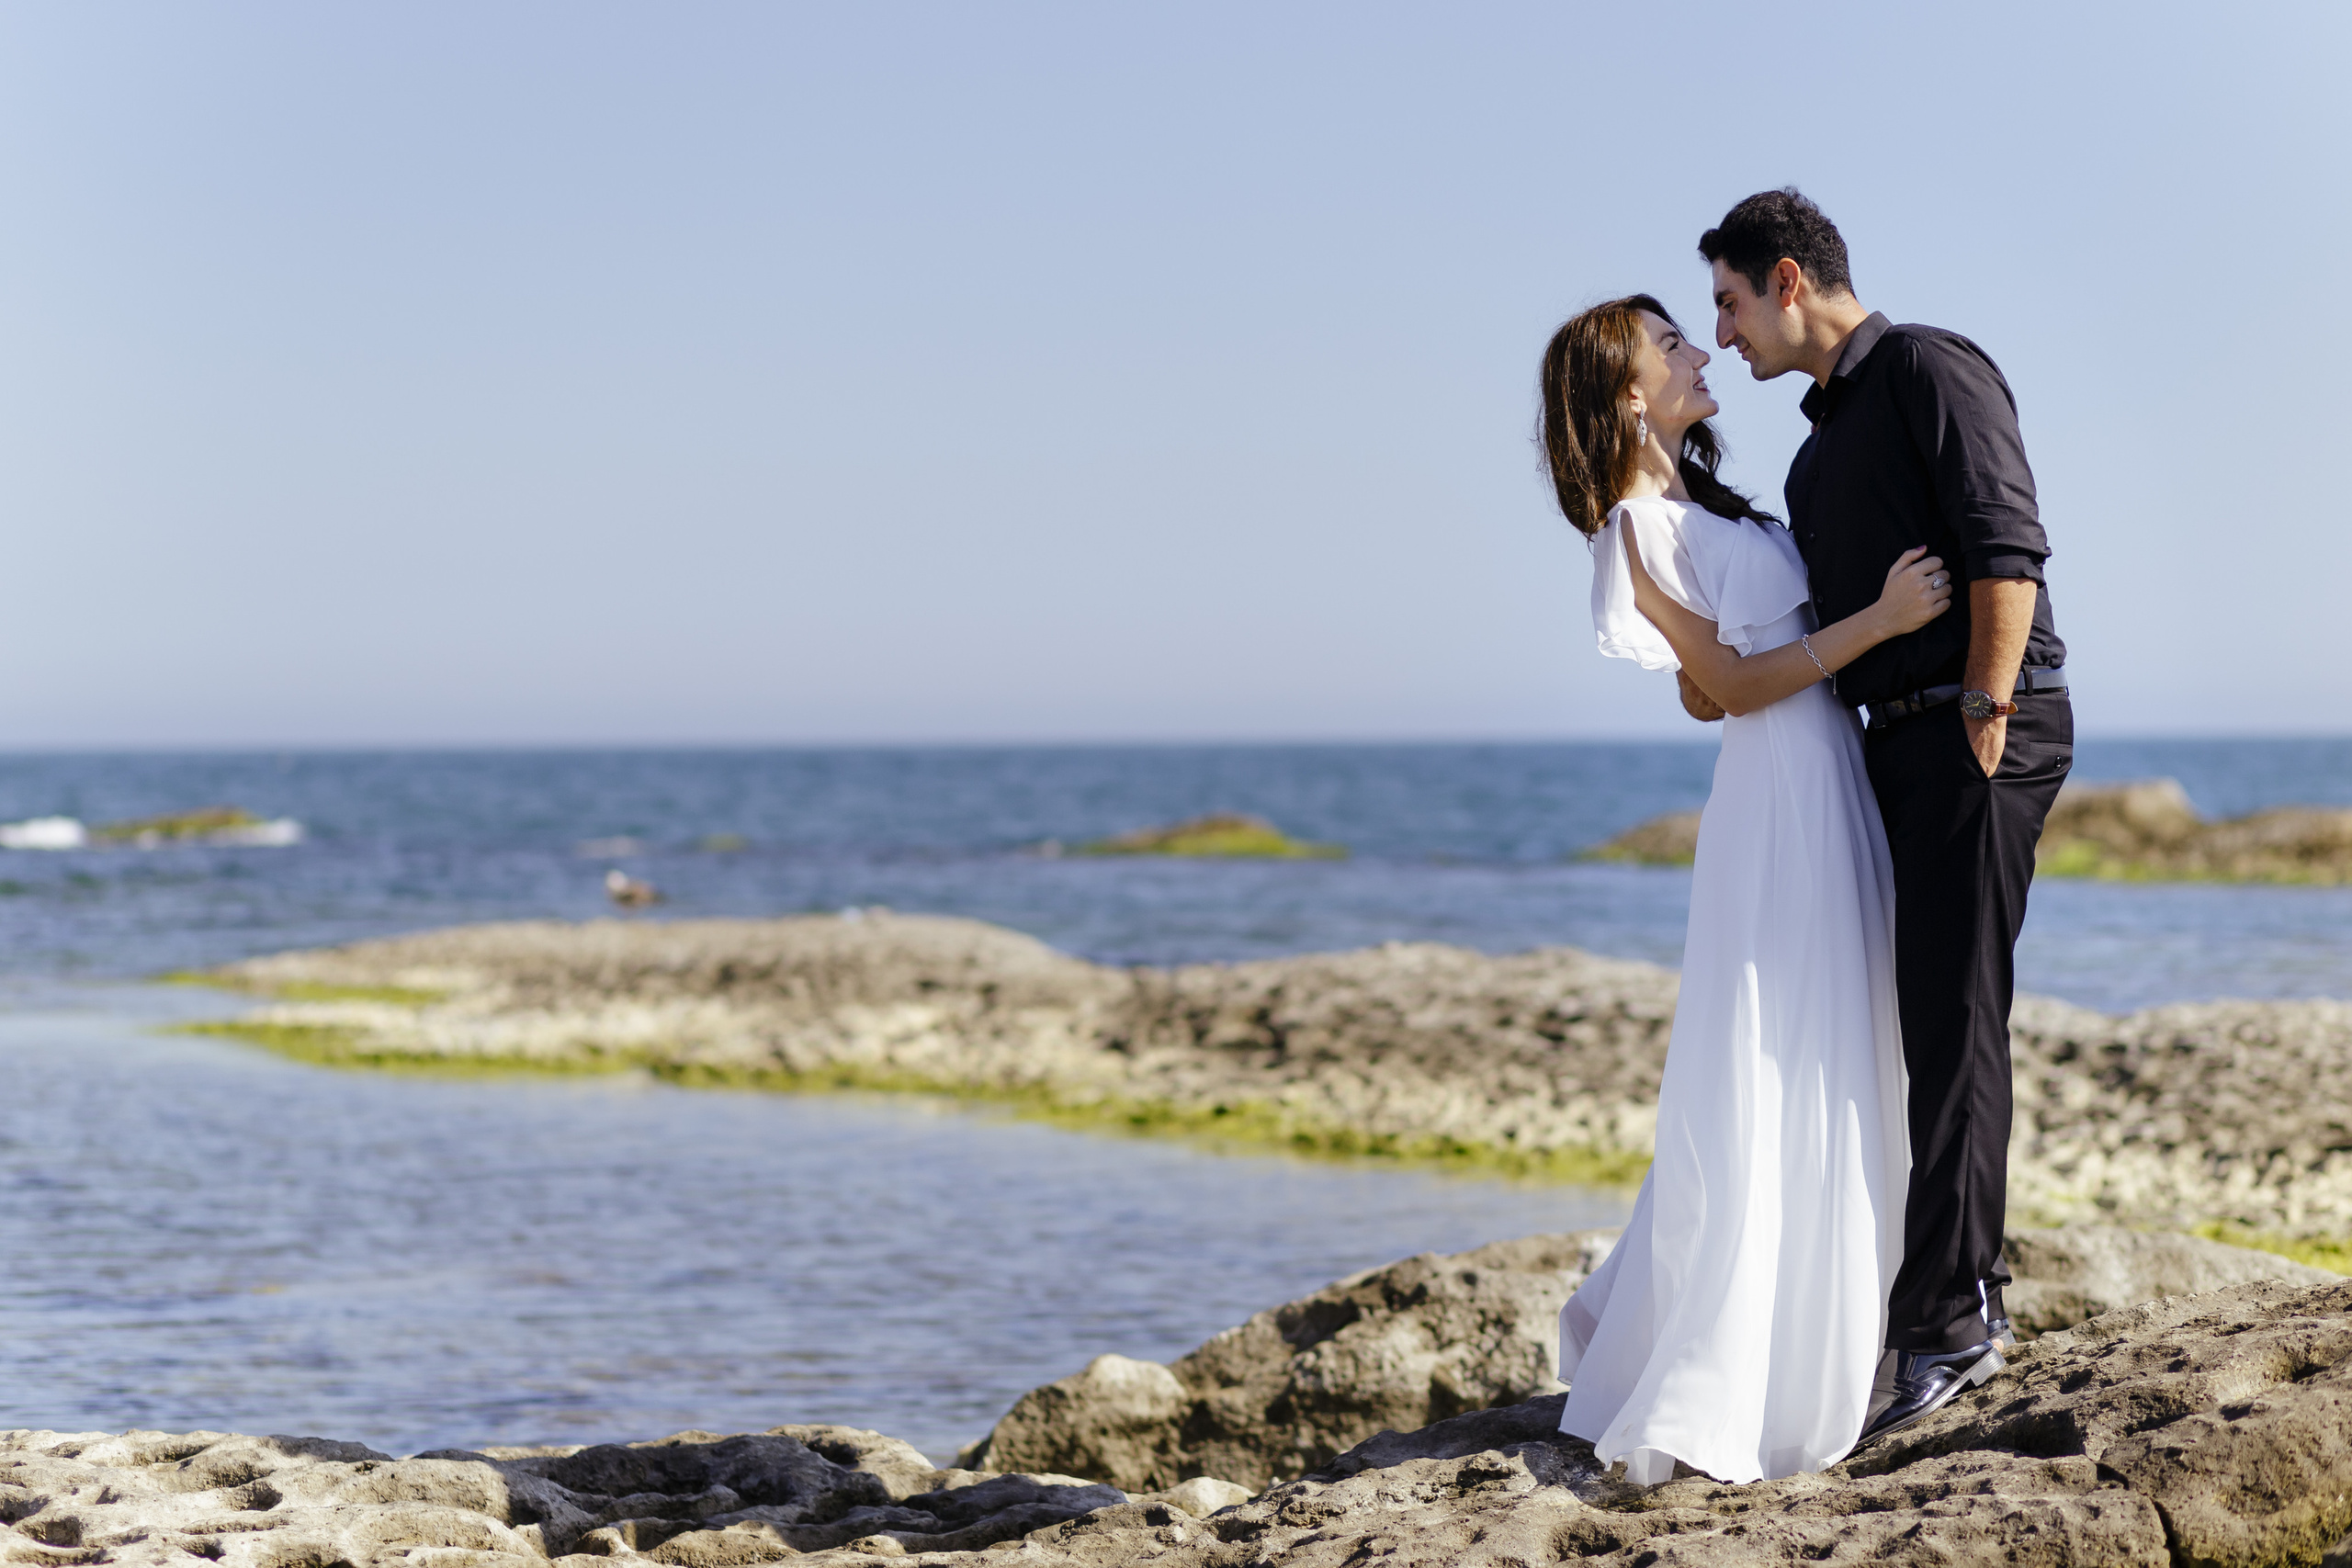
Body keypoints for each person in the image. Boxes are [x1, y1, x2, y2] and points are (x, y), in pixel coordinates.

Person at [1535, 293, 1951, 1483]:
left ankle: (1842, 1335)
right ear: (1626, 392)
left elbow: (1705, 685)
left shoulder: (1700, 503)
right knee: (1779, 1056)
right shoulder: (1633, 525)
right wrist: (1879, 623)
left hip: (1824, 775)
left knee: (1840, 1043)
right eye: (1671, 345)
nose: (1700, 350)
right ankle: (1741, 1372)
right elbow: (1724, 675)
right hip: (1779, 799)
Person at [1701, 189, 2072, 1444]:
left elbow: (2008, 549)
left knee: (1958, 1018)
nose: (1725, 331)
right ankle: (1927, 1302)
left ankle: (1958, 1320)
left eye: (1731, 302)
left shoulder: (1928, 366)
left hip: (1973, 730)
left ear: (1789, 279)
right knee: (1919, 1026)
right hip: (1894, 747)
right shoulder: (1812, 454)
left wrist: (1983, 709)